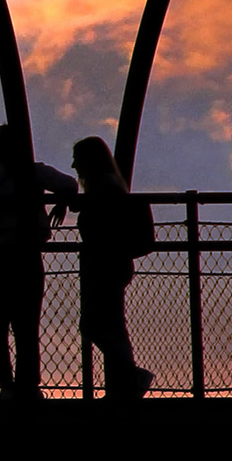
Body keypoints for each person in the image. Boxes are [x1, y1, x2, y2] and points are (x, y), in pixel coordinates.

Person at [0, 123, 77, 401]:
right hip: (24, 258)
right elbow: (69, 184)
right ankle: (28, 386)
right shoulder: (34, 173)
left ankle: (6, 385)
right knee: (26, 326)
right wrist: (61, 201)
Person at [71, 135, 154, 399]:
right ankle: (124, 386)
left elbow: (96, 220)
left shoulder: (102, 190)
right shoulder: (111, 187)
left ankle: (131, 376)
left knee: (93, 324)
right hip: (115, 264)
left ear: (90, 162)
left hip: (105, 265)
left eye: (78, 160)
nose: (74, 165)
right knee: (114, 325)